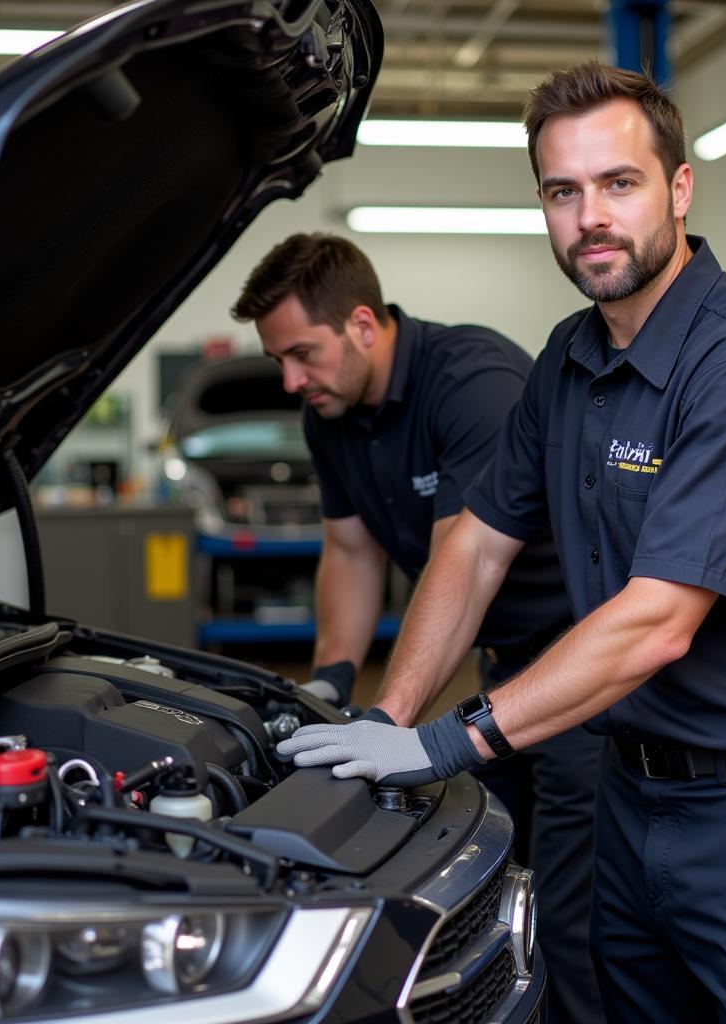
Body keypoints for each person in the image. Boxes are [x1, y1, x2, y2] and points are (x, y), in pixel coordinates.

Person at [277, 63, 726, 1023]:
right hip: (630, 796)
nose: (589, 217)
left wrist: (451, 740)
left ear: (679, 189)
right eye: (564, 192)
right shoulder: (568, 361)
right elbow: (475, 548)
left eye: (619, 183)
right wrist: (390, 718)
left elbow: (655, 624)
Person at [231, 233, 606, 1024]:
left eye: (302, 353)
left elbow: (458, 567)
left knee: (572, 912)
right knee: (490, 867)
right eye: (280, 363)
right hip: (501, 667)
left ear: (362, 323)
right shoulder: (329, 414)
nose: (293, 381)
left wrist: (386, 723)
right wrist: (332, 681)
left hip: (583, 668)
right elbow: (351, 550)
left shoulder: (470, 383)